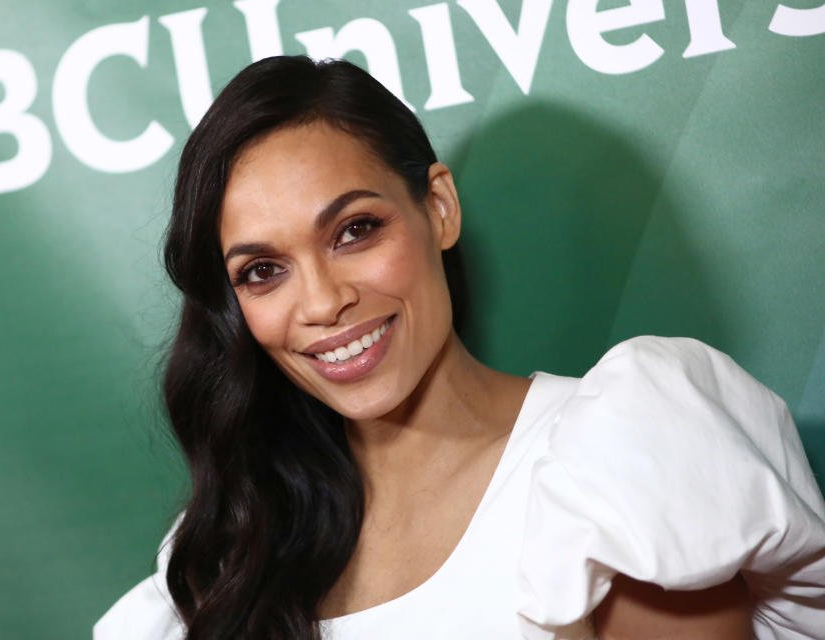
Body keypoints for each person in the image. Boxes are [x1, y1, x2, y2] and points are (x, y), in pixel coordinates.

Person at [94, 56, 825, 639]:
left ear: (438, 208)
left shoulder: (624, 468)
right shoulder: (229, 548)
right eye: (263, 272)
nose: (321, 303)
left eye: (354, 230)